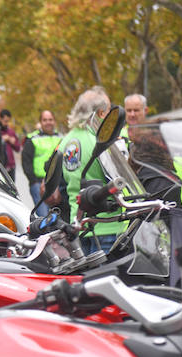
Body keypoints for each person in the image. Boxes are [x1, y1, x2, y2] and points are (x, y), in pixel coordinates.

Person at [57, 86, 123, 254]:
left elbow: (62, 186)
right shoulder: (101, 141)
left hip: (78, 223)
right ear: (100, 113)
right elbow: (119, 180)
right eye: (109, 111)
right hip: (107, 223)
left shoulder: (65, 141)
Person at [21, 109, 62, 217]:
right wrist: (33, 181)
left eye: (50, 119)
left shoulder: (61, 138)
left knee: (60, 217)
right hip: (39, 183)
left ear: (54, 121)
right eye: (45, 120)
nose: (48, 122)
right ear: (40, 122)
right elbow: (26, 161)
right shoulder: (32, 139)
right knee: (44, 217)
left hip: (59, 184)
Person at [0, 109, 21, 181]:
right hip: (0, 167)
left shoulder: (11, 132)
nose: (6, 123)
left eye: (8, 121)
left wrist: (13, 142)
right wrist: (1, 139)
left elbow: (18, 148)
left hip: (11, 167)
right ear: (0, 119)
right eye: (5, 121)